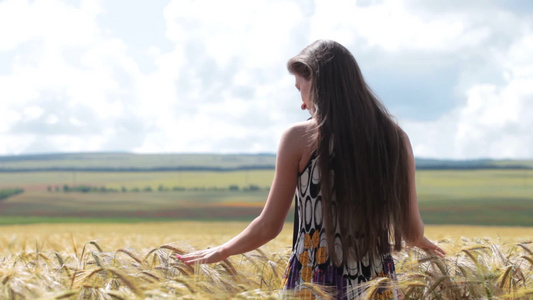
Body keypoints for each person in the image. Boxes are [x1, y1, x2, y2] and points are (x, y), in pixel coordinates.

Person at [178, 40, 445, 299]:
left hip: (312, 284)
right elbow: (410, 231)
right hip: (376, 286)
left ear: (317, 83)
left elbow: (269, 226)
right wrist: (420, 238)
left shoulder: (299, 137)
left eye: (300, 89)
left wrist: (221, 251)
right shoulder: (395, 139)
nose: (302, 104)